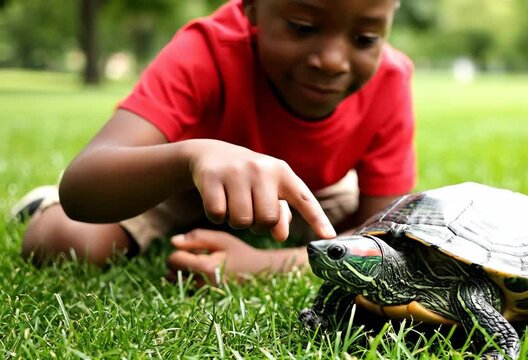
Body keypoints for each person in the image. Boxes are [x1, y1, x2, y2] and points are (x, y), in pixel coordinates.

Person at [11, 0, 416, 285]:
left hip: (309, 192)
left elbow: (384, 250)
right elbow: (84, 183)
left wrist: (262, 264)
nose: (332, 60)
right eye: (303, 27)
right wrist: (194, 153)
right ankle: (43, 202)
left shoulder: (391, 80)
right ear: (251, 7)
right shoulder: (205, 50)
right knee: (65, 243)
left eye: (364, 39)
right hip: (180, 183)